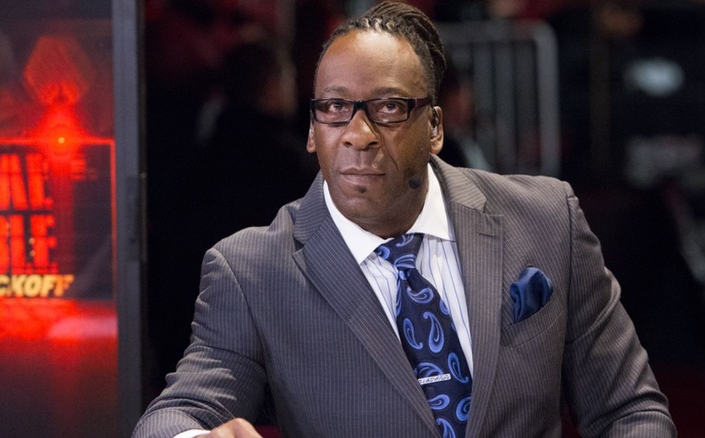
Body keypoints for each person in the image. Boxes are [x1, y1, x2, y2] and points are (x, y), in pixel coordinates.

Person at [133, 2, 676, 437]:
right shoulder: (253, 269)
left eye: (389, 107)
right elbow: (174, 413)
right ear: (312, 130)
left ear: (435, 127)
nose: (358, 133)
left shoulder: (545, 220)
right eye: (334, 108)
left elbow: (630, 410)